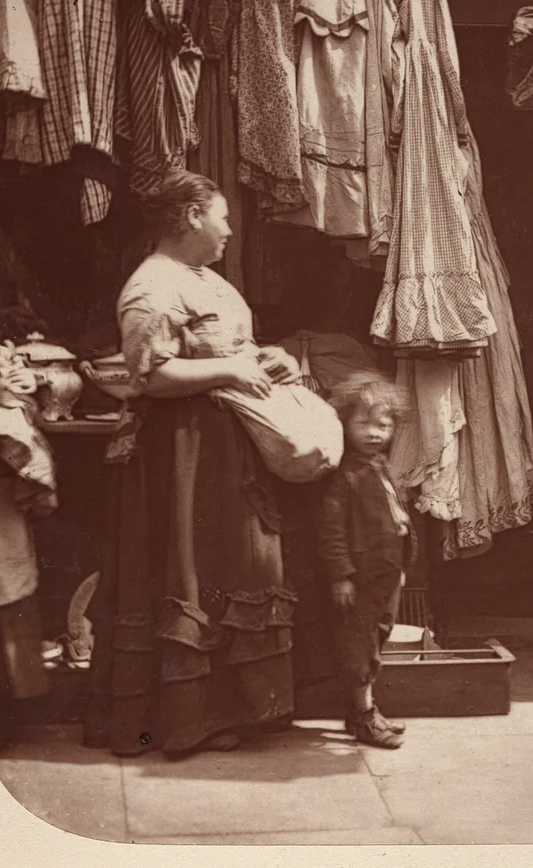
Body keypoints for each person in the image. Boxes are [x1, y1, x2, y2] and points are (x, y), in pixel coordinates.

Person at [84, 170, 310, 759]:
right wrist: (230, 372)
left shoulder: (208, 281)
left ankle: (229, 710)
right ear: (189, 217)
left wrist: (273, 359)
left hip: (226, 448)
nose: (230, 230)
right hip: (179, 454)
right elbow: (149, 375)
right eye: (223, 217)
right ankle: (181, 720)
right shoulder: (152, 286)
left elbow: (234, 353)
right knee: (188, 573)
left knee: (233, 568)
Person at [317, 372, 412, 749]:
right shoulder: (344, 476)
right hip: (359, 581)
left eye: (383, 425)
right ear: (344, 422)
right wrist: (341, 575)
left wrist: (402, 568)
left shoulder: (379, 466)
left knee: (377, 639)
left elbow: (394, 518)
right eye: (365, 423)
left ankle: (363, 712)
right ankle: (363, 715)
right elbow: (331, 531)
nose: (375, 432)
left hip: (385, 578)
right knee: (360, 649)